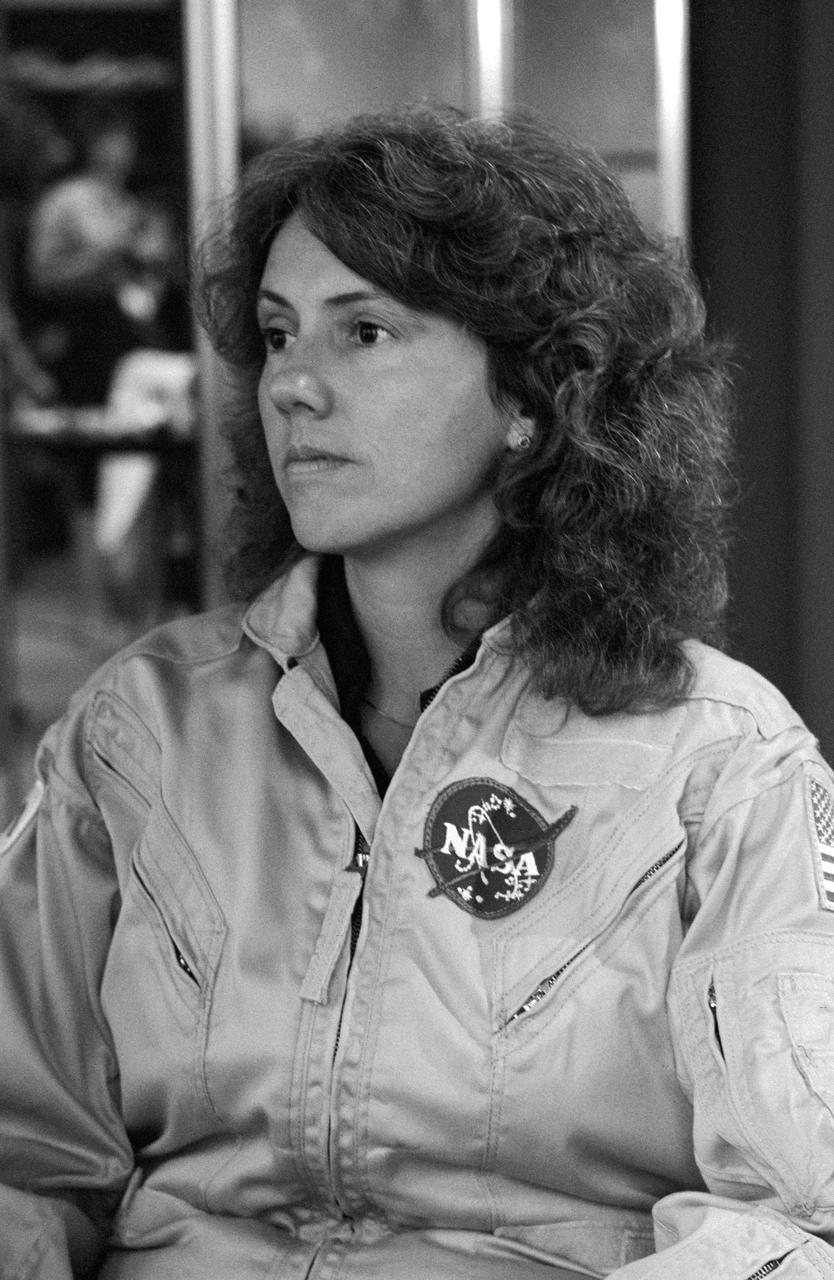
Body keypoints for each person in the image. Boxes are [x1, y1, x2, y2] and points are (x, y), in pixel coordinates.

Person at [0, 106, 832, 1280]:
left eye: (367, 332)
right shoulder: (140, 730)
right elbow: (30, 1155)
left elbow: (795, 1219)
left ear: (533, 396)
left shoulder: (722, 763)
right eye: (281, 334)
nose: (292, 385)